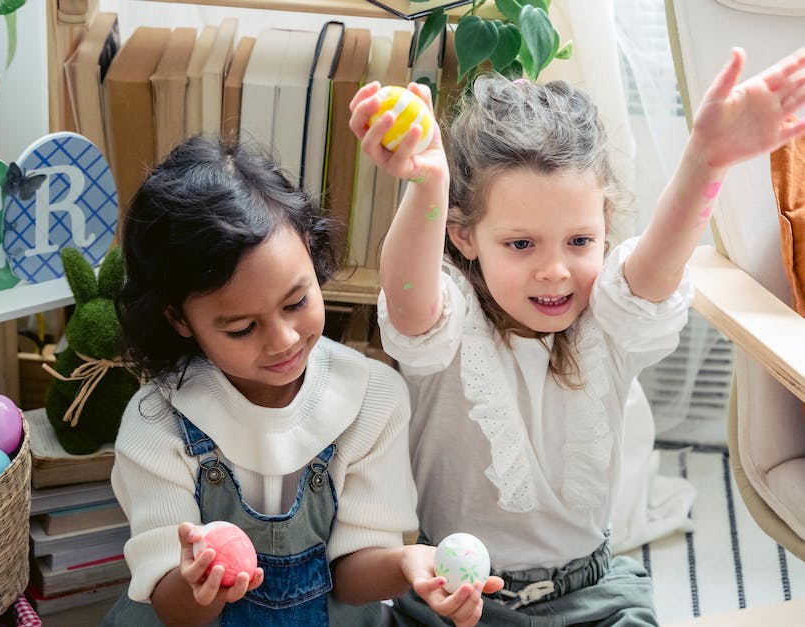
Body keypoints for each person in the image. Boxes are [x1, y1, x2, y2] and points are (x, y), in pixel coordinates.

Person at [348, 46, 805, 626]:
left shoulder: (610, 320)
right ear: (463, 237)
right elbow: (408, 296)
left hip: (597, 595)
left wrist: (706, 162)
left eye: (580, 242)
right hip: (456, 600)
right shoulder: (450, 323)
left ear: (605, 230)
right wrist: (429, 183)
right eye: (521, 244)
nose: (555, 270)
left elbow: (656, 271)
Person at [101, 135, 504, 627]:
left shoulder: (371, 398)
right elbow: (171, 606)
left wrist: (405, 563)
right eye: (241, 328)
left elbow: (352, 578)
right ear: (179, 319)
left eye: (296, 302)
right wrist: (200, 585)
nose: (283, 340)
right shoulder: (159, 421)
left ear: (312, 254)